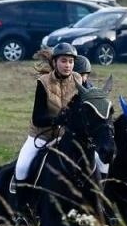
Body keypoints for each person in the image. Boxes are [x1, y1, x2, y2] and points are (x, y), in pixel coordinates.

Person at [15, 42, 79, 184]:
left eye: (71, 61)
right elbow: (37, 118)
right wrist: (58, 120)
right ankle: (22, 202)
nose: (67, 65)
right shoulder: (43, 82)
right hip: (41, 136)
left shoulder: (78, 80)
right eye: (63, 61)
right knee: (21, 167)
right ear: (55, 62)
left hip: (65, 137)